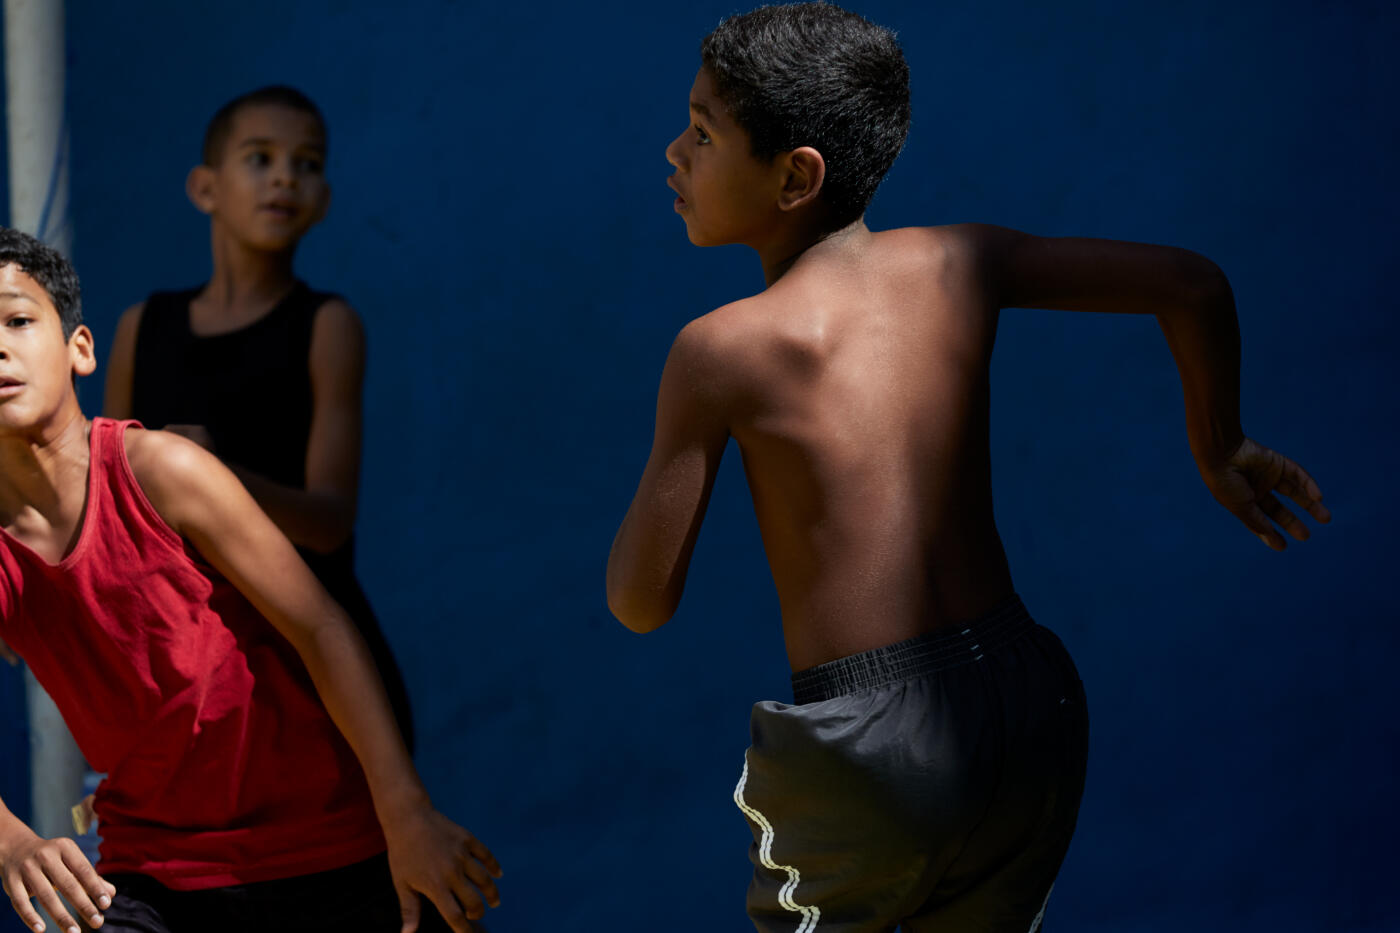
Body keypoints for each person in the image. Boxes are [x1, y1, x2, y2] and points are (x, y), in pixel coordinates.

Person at [605, 4, 1329, 931]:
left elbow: (640, 602)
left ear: (796, 176)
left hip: (871, 753)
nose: (674, 150)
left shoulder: (720, 351)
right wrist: (1219, 444)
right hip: (1029, 701)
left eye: (703, 132)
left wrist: (669, 444)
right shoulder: (962, 262)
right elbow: (1190, 283)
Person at [0, 228, 500, 933]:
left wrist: (406, 811)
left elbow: (319, 624)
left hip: (330, 847)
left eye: (18, 320)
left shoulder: (161, 470)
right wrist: (12, 841)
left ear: (80, 348)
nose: (0, 345)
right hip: (155, 871)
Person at [102, 85, 414, 750]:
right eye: (259, 157)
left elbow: (329, 524)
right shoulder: (141, 327)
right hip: (182, 663)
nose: (284, 177)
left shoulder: (328, 326)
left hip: (310, 664)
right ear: (204, 188)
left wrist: (207, 476)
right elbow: (107, 505)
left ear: (323, 200)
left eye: (307, 163)